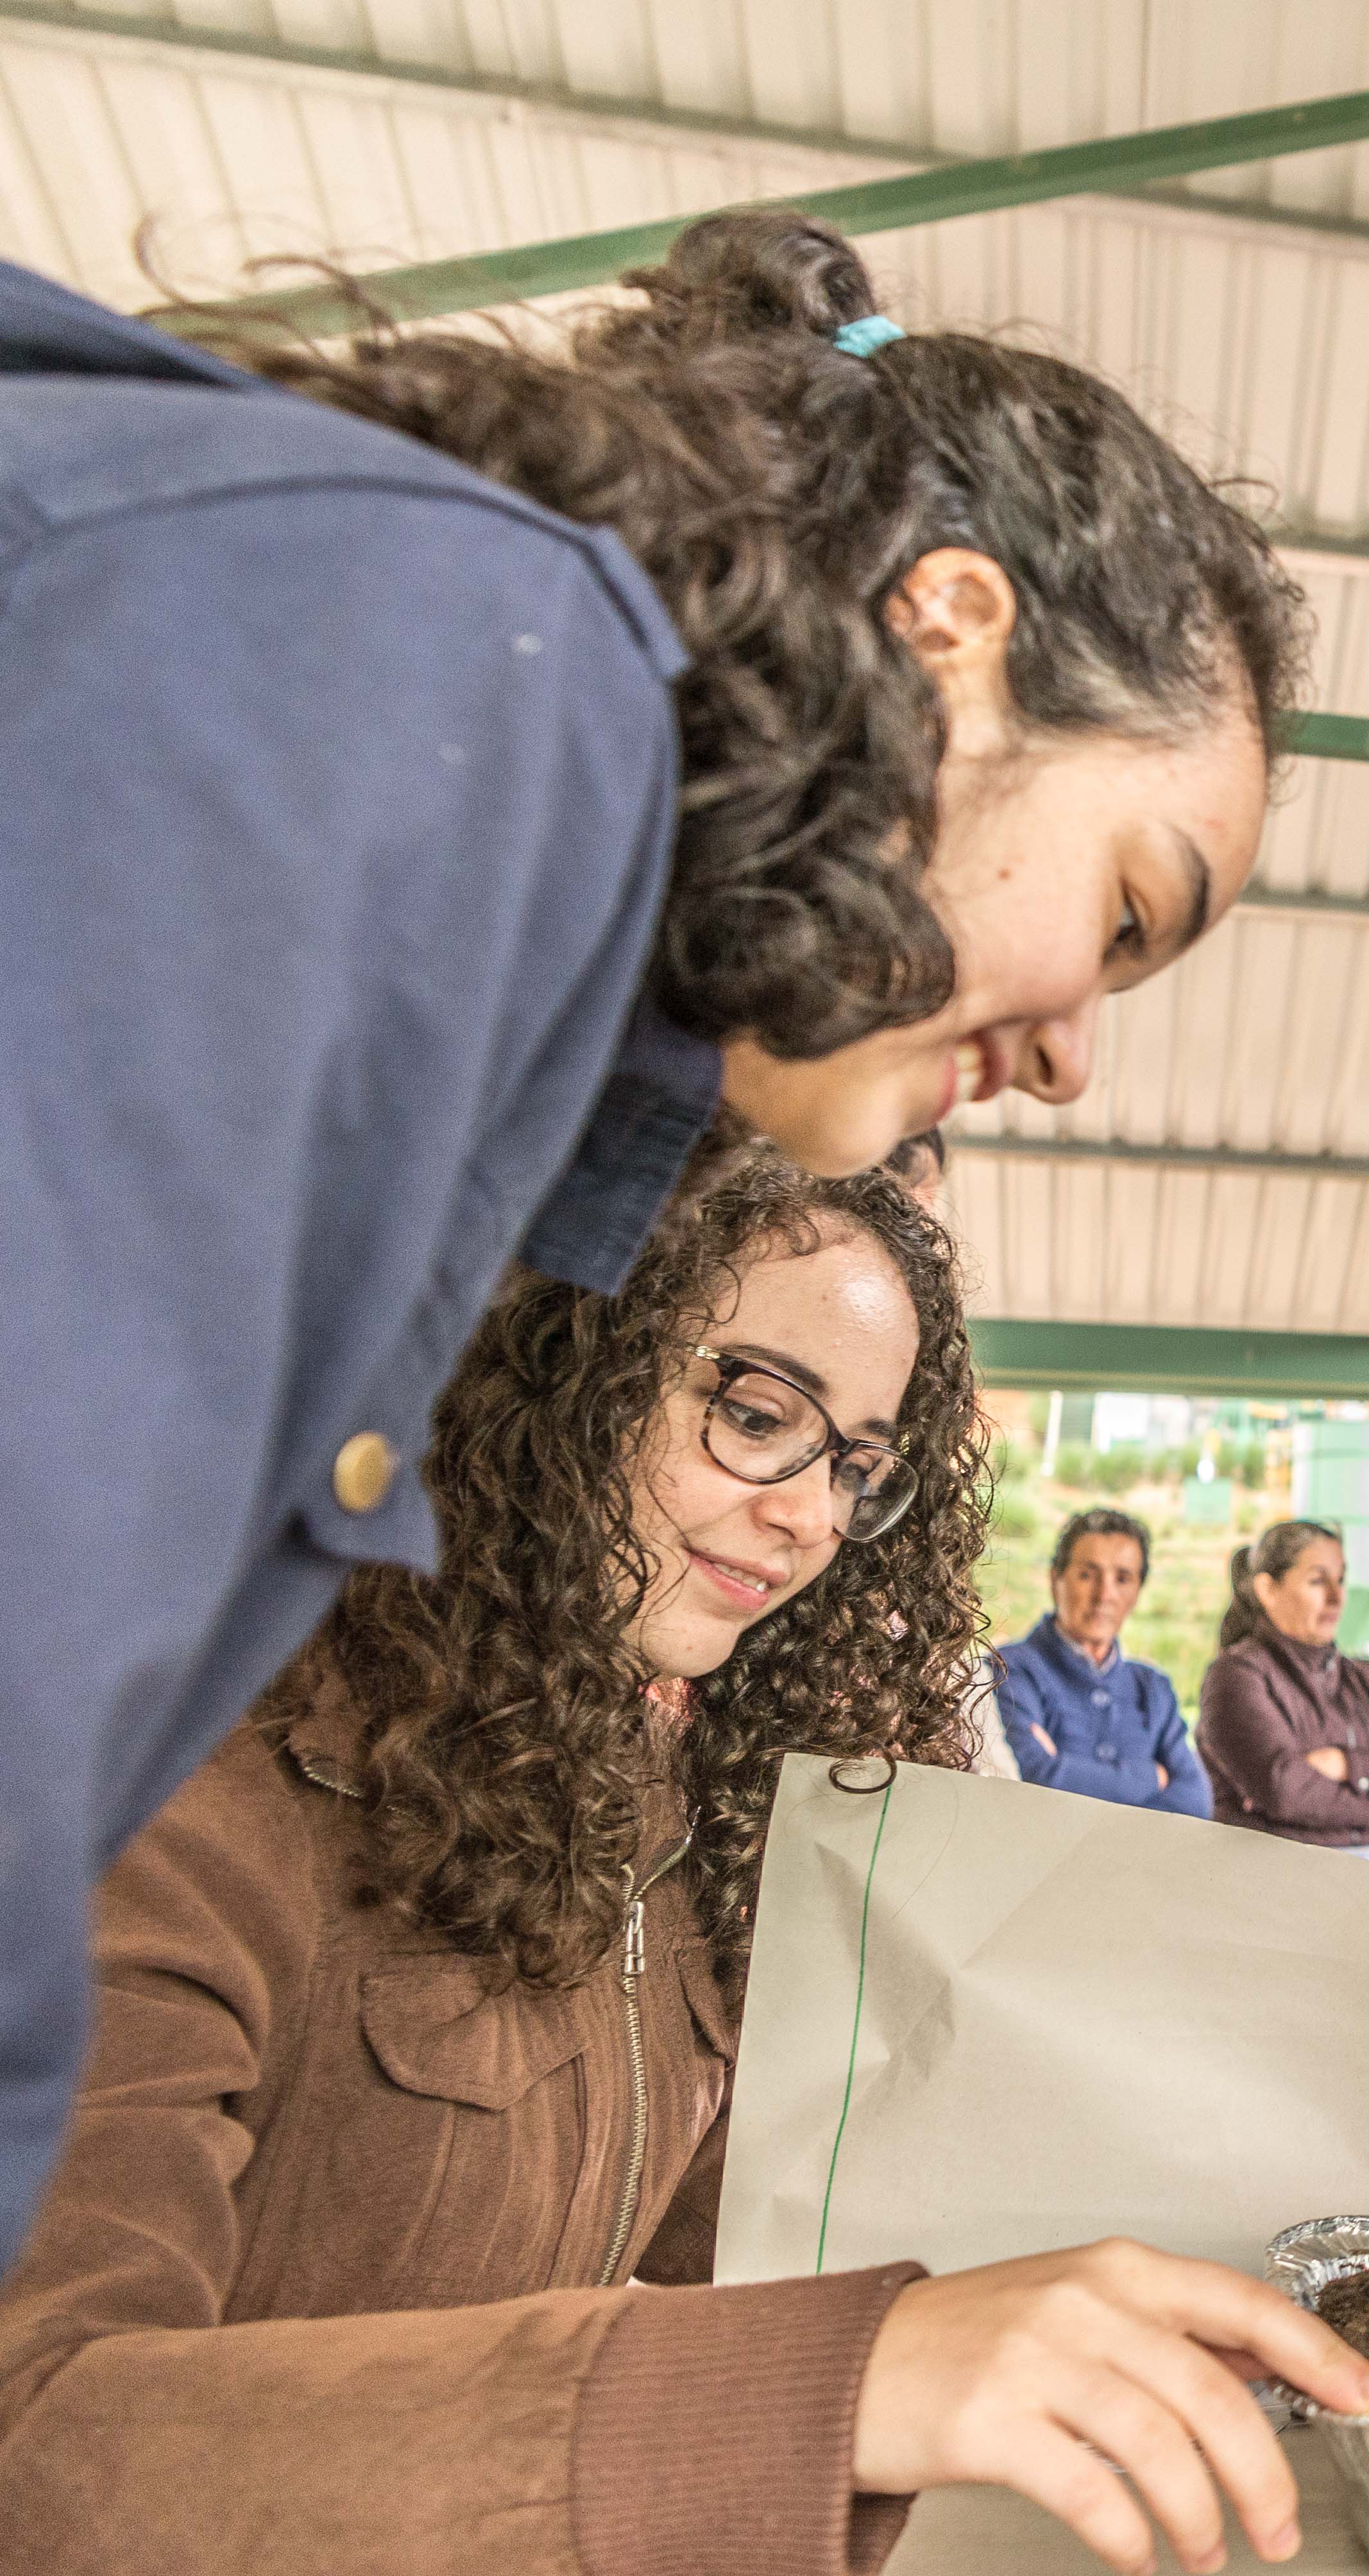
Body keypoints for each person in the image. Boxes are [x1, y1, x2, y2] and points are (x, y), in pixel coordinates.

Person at [0, 205, 1302, 2269]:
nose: (1071, 1057)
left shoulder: (512, 868)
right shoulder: (461, 665)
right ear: (950, 631)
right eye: (1127, 914)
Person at [0, 1157, 1369, 2575]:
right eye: (754, 1415)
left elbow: (694, 2256)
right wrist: (822, 2387)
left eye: (855, 1465)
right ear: (554, 1365)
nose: (813, 1519)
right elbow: (37, 2437)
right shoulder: (213, 1779)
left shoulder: (693, 1809)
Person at [1198, 1521, 1369, 1856]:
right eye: (1317, 1581)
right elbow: (1287, 1791)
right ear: (1268, 1590)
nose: (1336, 1597)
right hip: (1271, 1894)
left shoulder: (1368, 1680)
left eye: (1341, 1580)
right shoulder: (1236, 1678)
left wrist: (1347, 1765)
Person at [994, 1508, 1209, 1818]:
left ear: (1137, 1592)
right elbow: (1033, 1778)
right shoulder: (1010, 1670)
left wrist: (1063, 1770)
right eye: (1087, 1575)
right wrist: (1151, 1777)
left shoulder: (1152, 1687)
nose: (1105, 1595)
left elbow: (1195, 1801)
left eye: (1123, 1579)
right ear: (1056, 1579)